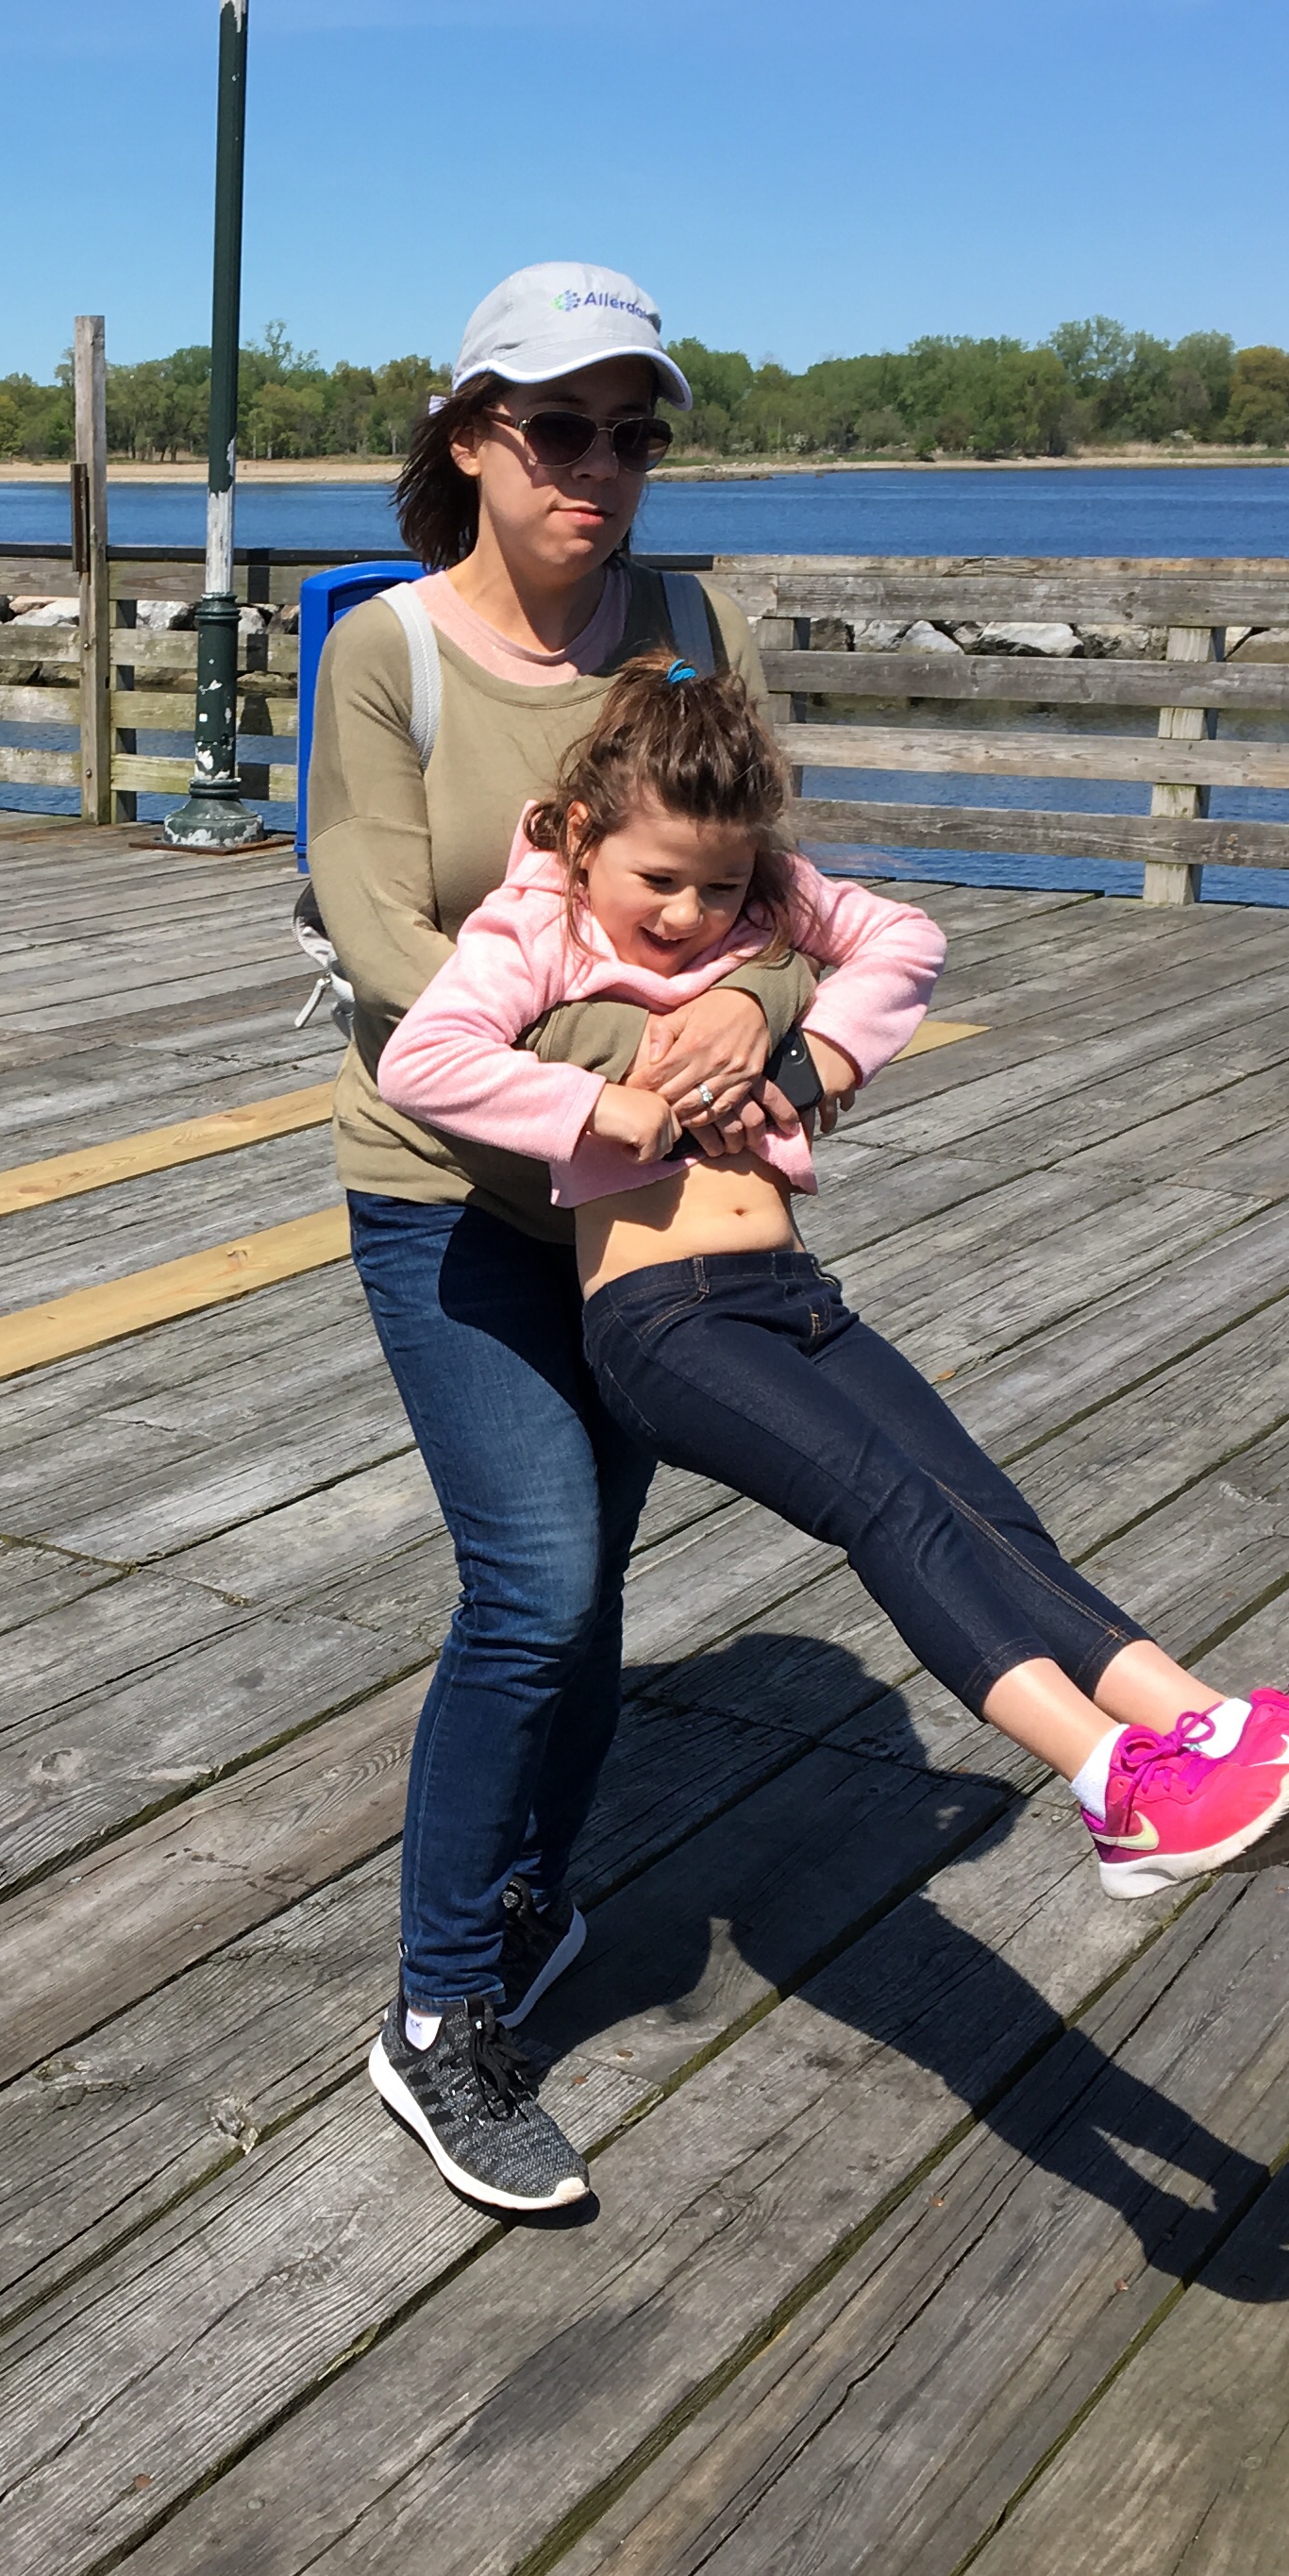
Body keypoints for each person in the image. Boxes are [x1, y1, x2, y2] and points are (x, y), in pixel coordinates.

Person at [372, 658, 1289, 2205]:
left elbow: (903, 937)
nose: (690, 914)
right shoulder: (540, 914)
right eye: (659, 881)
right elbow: (421, 1057)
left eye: (722, 885)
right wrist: (597, 1107)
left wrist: (808, 1054)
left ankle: (1211, 1728)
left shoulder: (763, 896)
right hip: (662, 1320)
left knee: (982, 1509)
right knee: (890, 1505)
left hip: (785, 1290)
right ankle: (1114, 1783)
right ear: (577, 832)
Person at [308, 262, 827, 2215]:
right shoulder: (390, 653)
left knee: (591, 1577)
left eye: (631, 432)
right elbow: (380, 938)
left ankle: (531, 1894)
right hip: (447, 1181)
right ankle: (437, 2013)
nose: (596, 467)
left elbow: (770, 896)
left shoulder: (690, 629)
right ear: (470, 439)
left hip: (647, 1200)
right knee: (528, 1582)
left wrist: (758, 1009)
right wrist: (623, 1062)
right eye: (555, 428)